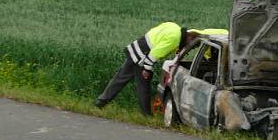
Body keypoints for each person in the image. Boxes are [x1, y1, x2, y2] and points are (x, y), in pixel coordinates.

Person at [94, 23, 225, 115]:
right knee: (143, 85)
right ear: (188, 38)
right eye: (189, 44)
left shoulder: (174, 27)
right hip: (143, 55)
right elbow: (154, 54)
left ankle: (101, 101)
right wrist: (147, 69)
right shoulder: (174, 39)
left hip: (136, 48)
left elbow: (157, 38)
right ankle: (146, 115)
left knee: (120, 78)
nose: (188, 46)